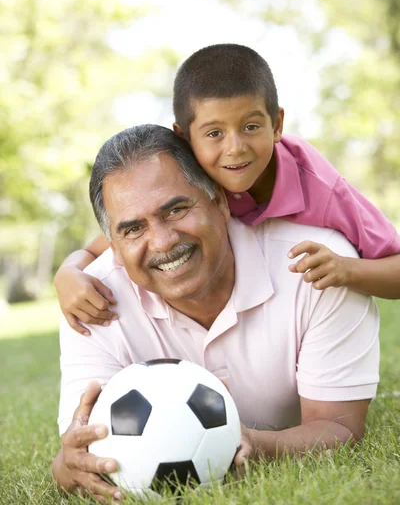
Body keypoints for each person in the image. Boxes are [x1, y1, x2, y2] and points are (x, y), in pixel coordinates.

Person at [52, 125, 379, 502]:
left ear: (221, 202)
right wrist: (69, 465)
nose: (162, 242)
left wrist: (254, 444)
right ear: (114, 246)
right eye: (133, 229)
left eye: (176, 209)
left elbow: (339, 427)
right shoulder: (91, 300)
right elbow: (74, 457)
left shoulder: (317, 266)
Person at [54, 44, 400, 336]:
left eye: (251, 126)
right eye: (214, 133)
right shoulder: (195, 178)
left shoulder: (322, 190)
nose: (235, 149)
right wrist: (68, 274)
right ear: (184, 136)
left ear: (277, 124)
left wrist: (347, 270)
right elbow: (110, 242)